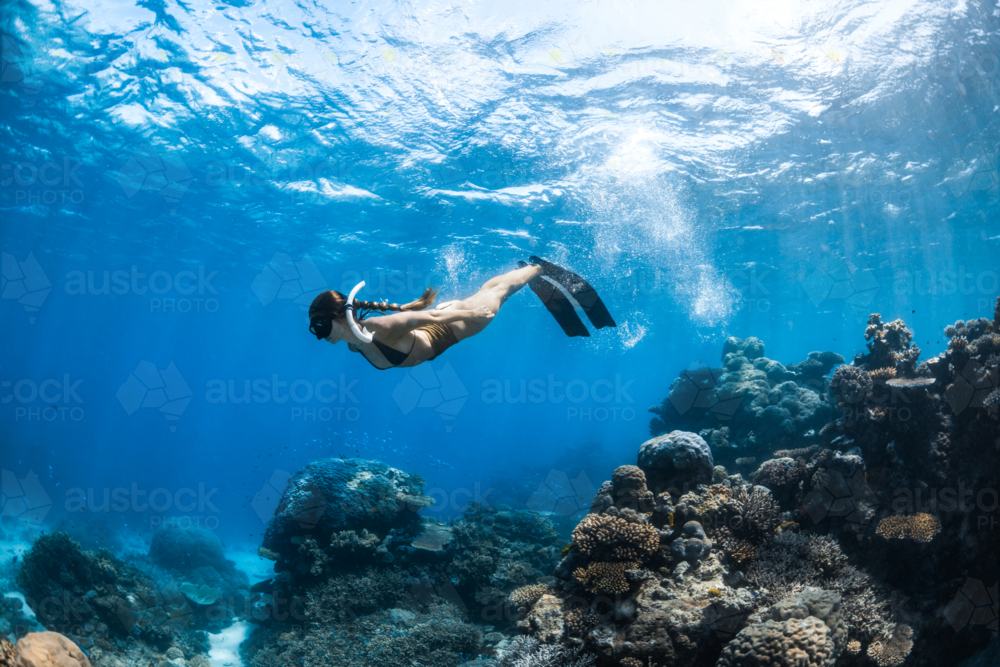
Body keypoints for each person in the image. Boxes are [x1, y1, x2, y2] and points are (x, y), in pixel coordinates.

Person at [308, 257, 616, 370]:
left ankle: (539, 268)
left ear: (337, 316)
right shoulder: (353, 340)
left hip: (451, 326)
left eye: (320, 327)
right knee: (491, 294)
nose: (319, 335)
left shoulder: (375, 327)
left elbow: (429, 318)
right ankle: (525, 270)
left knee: (494, 297)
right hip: (436, 329)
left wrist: (475, 314)